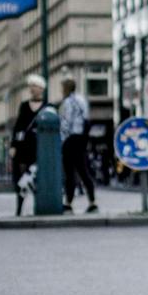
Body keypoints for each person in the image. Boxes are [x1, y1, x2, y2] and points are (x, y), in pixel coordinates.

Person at [58, 75, 97, 213]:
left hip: (70, 139)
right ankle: (92, 202)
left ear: (66, 88)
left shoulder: (67, 102)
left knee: (69, 172)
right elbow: (86, 119)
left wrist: (61, 141)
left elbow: (65, 123)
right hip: (81, 138)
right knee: (83, 170)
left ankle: (68, 203)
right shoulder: (81, 100)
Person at [11, 76, 48, 192]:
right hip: (23, 146)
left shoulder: (48, 107)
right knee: (20, 178)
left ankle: (38, 199)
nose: (32, 88)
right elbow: (18, 127)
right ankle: (19, 206)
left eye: (35, 86)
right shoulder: (24, 106)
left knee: (35, 174)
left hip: (39, 147)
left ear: (42, 88)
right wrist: (13, 145)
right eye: (30, 86)